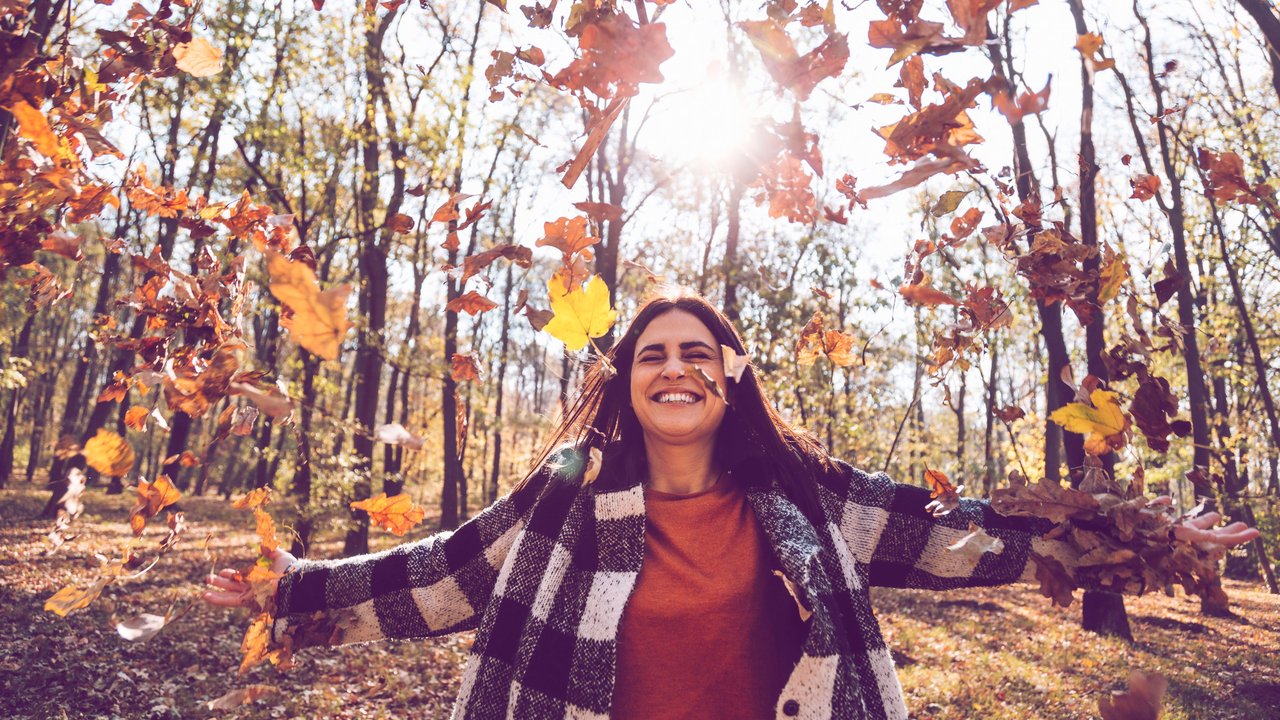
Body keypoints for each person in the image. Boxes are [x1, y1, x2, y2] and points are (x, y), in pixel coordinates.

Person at [205, 290, 1259, 720]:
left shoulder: (800, 494)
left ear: (730, 376)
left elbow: (960, 532)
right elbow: (444, 571)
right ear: (624, 382)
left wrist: (1147, 536)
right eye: (650, 356)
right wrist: (288, 591)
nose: (673, 369)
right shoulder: (567, 497)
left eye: (695, 353)